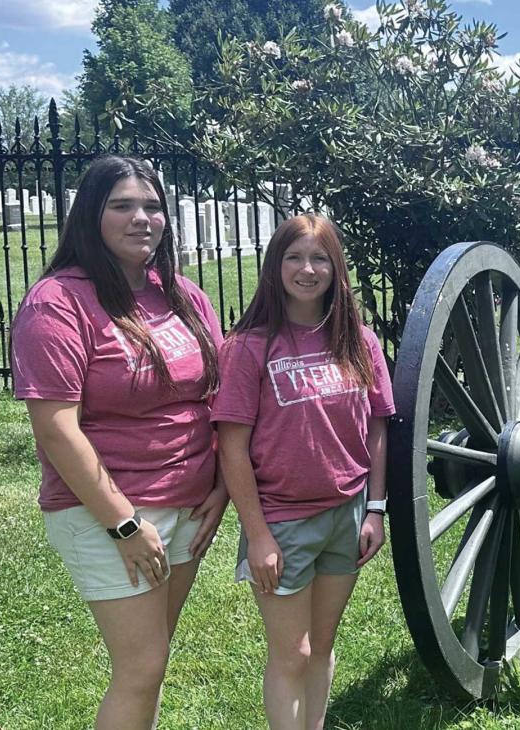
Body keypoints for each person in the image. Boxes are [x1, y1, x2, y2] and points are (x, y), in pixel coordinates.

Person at [10, 155, 227, 728]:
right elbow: (56, 427)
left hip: (189, 504)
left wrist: (222, 487)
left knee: (151, 662)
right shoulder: (57, 302)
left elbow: (223, 398)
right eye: (123, 206)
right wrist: (124, 524)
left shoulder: (181, 295)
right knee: (141, 667)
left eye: (153, 206)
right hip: (111, 511)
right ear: (90, 216)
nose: (142, 219)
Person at [212, 213, 394, 730]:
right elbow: (232, 446)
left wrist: (375, 509)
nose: (307, 269)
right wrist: (258, 535)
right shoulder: (249, 346)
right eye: (294, 257)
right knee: (291, 654)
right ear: (275, 267)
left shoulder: (359, 341)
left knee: (322, 648)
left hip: (347, 515)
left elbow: (379, 426)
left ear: (335, 268)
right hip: (283, 522)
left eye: (319, 258)